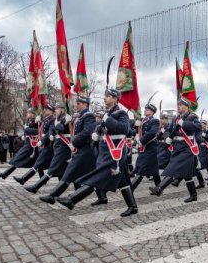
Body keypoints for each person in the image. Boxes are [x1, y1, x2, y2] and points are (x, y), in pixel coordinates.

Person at [57, 88, 138, 217]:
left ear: (115, 98)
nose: (104, 98)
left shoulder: (121, 113)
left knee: (98, 177)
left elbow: (124, 129)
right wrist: (97, 131)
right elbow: (104, 128)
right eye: (104, 96)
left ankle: (72, 199)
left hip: (114, 152)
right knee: (122, 180)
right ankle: (133, 207)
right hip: (107, 151)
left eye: (107, 96)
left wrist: (108, 120)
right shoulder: (109, 113)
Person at [39, 96, 97, 203]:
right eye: (76, 103)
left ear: (86, 104)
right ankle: (68, 199)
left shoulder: (88, 116)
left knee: (76, 175)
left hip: (85, 150)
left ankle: (55, 197)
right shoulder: (79, 116)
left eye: (79, 103)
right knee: (73, 175)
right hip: (79, 150)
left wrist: (73, 141)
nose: (76, 105)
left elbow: (86, 133)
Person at [149, 98, 201, 203]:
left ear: (187, 106)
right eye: (178, 105)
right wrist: (167, 137)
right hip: (177, 147)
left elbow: (197, 127)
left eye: (181, 105)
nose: (178, 107)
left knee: (173, 167)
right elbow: (169, 130)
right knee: (187, 174)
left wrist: (184, 124)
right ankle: (193, 195)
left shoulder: (192, 117)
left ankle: (159, 188)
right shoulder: (175, 119)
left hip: (187, 148)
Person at [16, 105, 55, 185]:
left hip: (48, 144)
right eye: (45, 109)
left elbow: (48, 132)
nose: (45, 110)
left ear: (51, 111)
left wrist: (42, 141)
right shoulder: (45, 119)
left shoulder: (53, 119)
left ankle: (24, 179)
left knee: (39, 164)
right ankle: (43, 180)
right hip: (43, 144)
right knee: (40, 163)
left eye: (47, 109)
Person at [0, 108, 39, 177]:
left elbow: (38, 131)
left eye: (28, 113)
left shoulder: (36, 121)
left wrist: (27, 130)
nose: (27, 114)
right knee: (20, 158)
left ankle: (6, 174)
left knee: (37, 162)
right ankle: (5, 174)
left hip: (32, 144)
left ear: (32, 114)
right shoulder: (28, 121)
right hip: (28, 143)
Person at [130, 102, 161, 192]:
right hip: (143, 147)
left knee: (141, 168)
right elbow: (135, 130)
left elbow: (152, 133)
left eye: (147, 110)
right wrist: (135, 125)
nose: (145, 111)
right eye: (145, 109)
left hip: (150, 147)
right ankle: (159, 188)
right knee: (154, 170)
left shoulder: (154, 121)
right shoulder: (142, 120)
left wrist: (141, 141)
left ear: (152, 112)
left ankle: (130, 190)